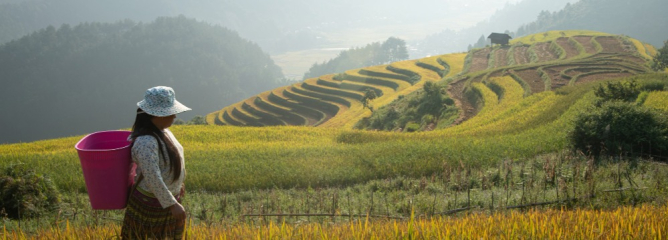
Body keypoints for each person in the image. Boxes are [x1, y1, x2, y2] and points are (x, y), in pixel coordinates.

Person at [121, 86, 191, 239]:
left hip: (165, 200)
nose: (174, 116)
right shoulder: (146, 142)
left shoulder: (164, 132)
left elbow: (171, 162)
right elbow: (153, 177)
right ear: (157, 115)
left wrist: (178, 185)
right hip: (151, 205)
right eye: (171, 112)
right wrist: (172, 204)